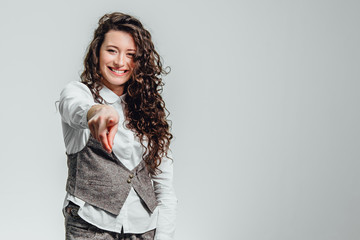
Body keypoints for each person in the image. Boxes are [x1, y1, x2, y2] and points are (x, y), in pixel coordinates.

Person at [59, 12, 177, 240]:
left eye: (131, 54)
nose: (120, 62)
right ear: (97, 52)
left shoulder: (149, 112)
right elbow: (74, 108)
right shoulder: (79, 93)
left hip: (145, 230)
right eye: (112, 50)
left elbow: (164, 188)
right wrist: (96, 112)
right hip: (90, 227)